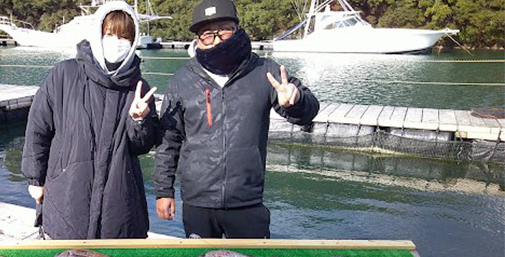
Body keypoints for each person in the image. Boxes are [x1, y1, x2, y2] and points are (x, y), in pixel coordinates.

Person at [154, 0, 319, 239]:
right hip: (198, 201)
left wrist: (296, 101)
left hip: (247, 199)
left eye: (224, 30)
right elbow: (168, 140)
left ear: (238, 29)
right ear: (198, 39)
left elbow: (310, 111)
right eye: (208, 34)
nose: (217, 39)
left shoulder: (265, 71)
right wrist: (163, 191)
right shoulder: (182, 79)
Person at [22, 1, 158, 239]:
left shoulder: (138, 87)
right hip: (68, 194)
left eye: (125, 37)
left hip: (119, 202)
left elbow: (141, 146)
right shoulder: (64, 74)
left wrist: (139, 121)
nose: (116, 42)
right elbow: (38, 128)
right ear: (97, 34)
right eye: (109, 34)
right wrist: (36, 178)